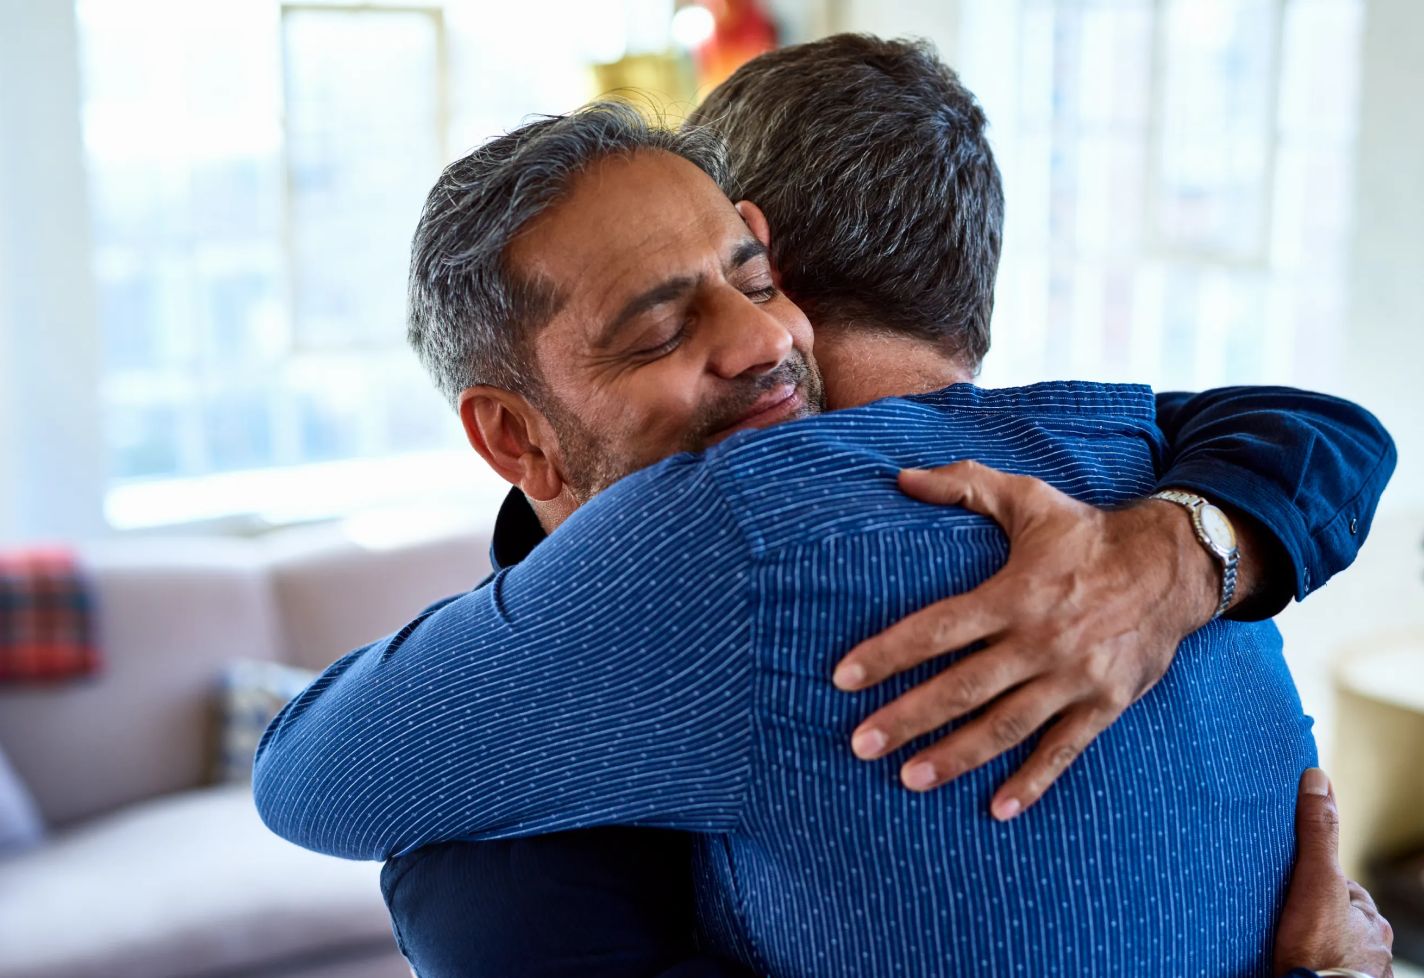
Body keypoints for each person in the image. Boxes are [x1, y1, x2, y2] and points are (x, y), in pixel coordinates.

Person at [252, 86, 1394, 977]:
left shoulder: (767, 528)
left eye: (754, 278)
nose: (756, 342)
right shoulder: (1125, 444)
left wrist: (1176, 549)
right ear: (514, 438)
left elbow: (297, 777)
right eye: (656, 332)